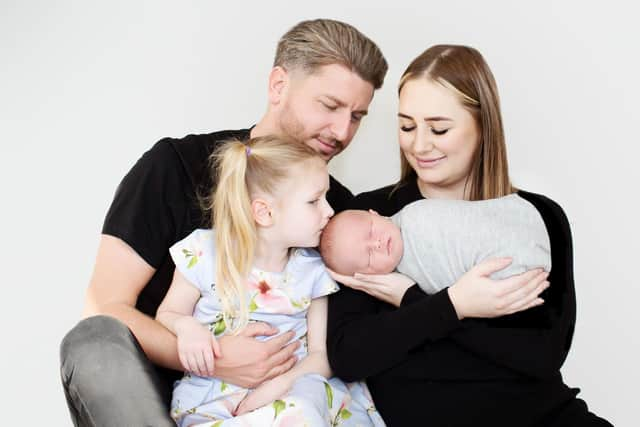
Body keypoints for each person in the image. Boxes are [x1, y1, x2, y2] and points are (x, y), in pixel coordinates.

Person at [59, 19, 387, 427]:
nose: (342, 131)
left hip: (275, 407)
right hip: (159, 401)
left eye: (357, 116)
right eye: (330, 106)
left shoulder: (335, 214)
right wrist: (213, 359)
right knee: (93, 342)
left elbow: (343, 347)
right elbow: (104, 306)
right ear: (278, 86)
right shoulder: (174, 168)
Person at [326, 45, 612, 426]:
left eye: (439, 128)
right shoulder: (371, 222)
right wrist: (455, 306)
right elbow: (350, 357)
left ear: (483, 125)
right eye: (407, 126)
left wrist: (410, 299)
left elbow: (540, 357)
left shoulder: (534, 218)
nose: (419, 145)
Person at [156, 136, 383, 426]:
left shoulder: (312, 269)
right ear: (264, 212)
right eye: (314, 201)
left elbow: (321, 356)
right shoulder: (203, 253)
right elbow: (168, 313)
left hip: (294, 386)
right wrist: (186, 328)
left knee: (308, 410)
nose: (329, 211)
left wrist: (272, 390)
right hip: (219, 398)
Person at [319, 195, 552, 295]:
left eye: (371, 230)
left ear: (376, 213)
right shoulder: (400, 281)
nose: (378, 243)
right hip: (521, 279)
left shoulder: (415, 216)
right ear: (366, 277)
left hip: (522, 226)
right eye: (369, 256)